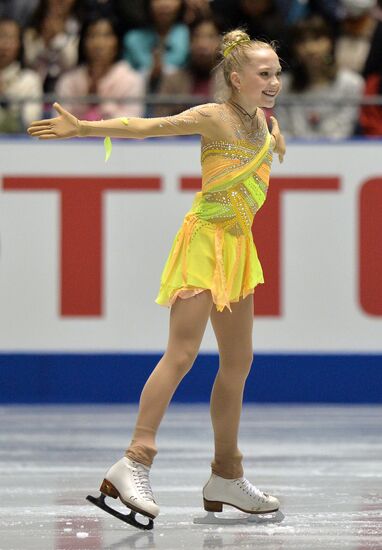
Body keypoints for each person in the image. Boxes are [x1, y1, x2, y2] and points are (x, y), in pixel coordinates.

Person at [28, 28, 286, 527]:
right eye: (264, 73)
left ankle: (226, 474)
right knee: (183, 352)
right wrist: (83, 128)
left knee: (238, 361)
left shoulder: (262, 122)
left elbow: (265, 144)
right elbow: (151, 126)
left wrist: (274, 141)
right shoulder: (216, 116)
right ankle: (134, 459)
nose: (275, 81)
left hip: (237, 249)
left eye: (277, 72)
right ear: (236, 78)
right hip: (205, 241)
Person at [275, 16, 364, 139]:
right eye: (302, 41)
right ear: (294, 48)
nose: (310, 48)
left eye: (317, 39)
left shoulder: (351, 83)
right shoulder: (282, 85)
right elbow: (283, 132)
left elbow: (343, 131)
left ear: (330, 42)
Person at [55, 16, 145, 121]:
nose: (99, 43)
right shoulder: (69, 81)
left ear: (117, 41)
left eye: (106, 35)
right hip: (77, 137)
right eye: (92, 35)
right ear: (83, 42)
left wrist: (103, 106)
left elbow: (134, 124)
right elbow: (58, 121)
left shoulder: (131, 80)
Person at [154, 16, 222, 116]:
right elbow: (160, 120)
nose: (202, 44)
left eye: (210, 37)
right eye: (197, 36)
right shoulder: (172, 80)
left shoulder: (232, 82)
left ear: (221, 42)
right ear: (189, 42)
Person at [0, 17, 42, 133]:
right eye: (0, 36)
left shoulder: (30, 80)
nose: (3, 44)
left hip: (18, 143)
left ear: (19, 43)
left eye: (9, 38)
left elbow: (31, 122)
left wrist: (6, 98)